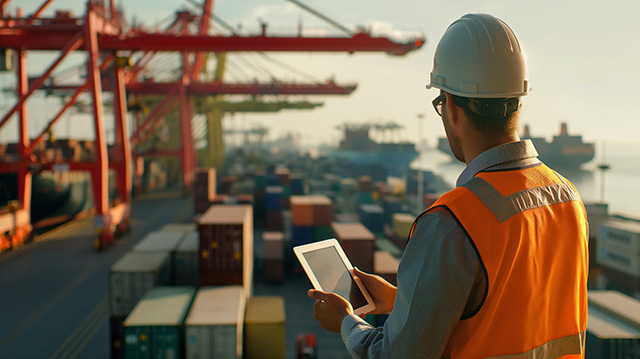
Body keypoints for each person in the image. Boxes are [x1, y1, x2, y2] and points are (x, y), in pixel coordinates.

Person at [308, 13, 589, 358]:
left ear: (450, 107)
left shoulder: (452, 222)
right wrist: (402, 302)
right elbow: (514, 308)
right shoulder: (567, 198)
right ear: (518, 100)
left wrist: (346, 322)